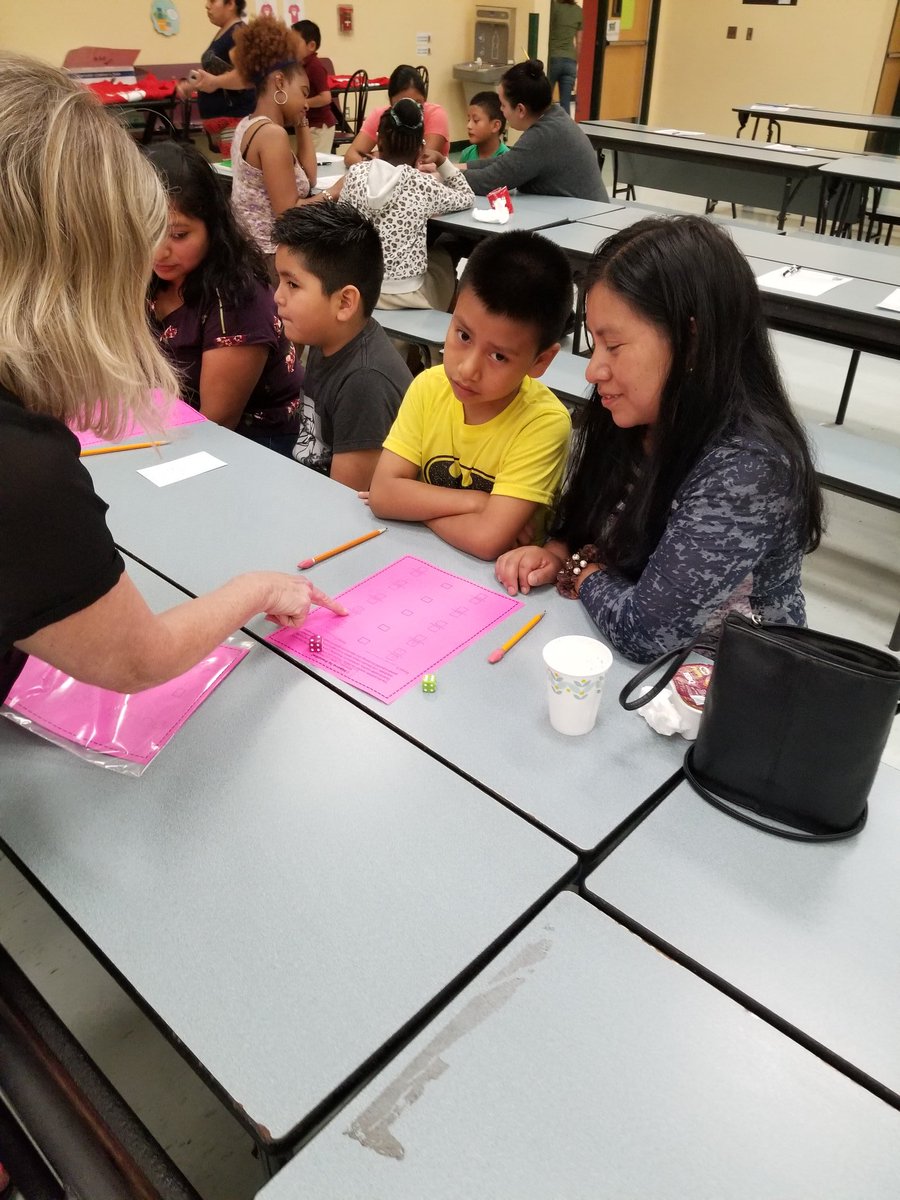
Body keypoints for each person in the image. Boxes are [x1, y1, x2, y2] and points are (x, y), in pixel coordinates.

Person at [0, 52, 344, 707]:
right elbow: (135, 658)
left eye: (176, 233)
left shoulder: (233, 298)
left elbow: (214, 417)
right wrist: (258, 588)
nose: (153, 255)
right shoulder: (24, 470)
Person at [496, 216, 824, 662]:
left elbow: (646, 632)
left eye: (614, 346)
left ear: (691, 340)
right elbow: (582, 525)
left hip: (723, 679)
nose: (593, 370)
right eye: (594, 344)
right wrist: (557, 551)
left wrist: (583, 571)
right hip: (627, 664)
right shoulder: (632, 414)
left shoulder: (749, 467)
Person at [367, 232, 573, 560]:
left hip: (496, 582)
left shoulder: (544, 423)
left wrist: (413, 507)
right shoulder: (429, 386)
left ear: (541, 361)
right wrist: (477, 502)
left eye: (499, 356)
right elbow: (383, 494)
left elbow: (487, 541)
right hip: (415, 559)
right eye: (463, 335)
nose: (467, 369)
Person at [147, 142, 304, 456]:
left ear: (212, 227)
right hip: (166, 429)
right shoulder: (145, 277)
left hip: (254, 446)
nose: (160, 251)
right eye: (147, 229)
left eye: (179, 235)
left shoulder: (237, 301)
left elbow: (216, 424)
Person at [272, 205, 413, 491]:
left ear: (345, 303)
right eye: (280, 281)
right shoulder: (328, 338)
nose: (277, 296)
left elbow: (345, 500)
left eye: (292, 284)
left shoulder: (365, 382)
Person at [339, 98, 474, 313]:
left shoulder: (355, 174)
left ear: (379, 140)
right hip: (408, 295)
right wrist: (442, 161)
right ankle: (445, 323)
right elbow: (466, 196)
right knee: (443, 255)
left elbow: (340, 221)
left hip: (360, 288)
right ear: (421, 148)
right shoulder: (421, 184)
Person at [229, 16, 337, 265]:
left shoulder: (247, 124)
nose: (306, 103)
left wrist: (301, 121)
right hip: (268, 260)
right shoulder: (272, 135)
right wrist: (335, 192)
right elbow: (288, 215)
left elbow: (309, 179)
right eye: (303, 93)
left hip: (249, 254)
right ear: (279, 82)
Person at [459, 59, 607, 201]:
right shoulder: (554, 116)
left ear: (520, 109)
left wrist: (449, 175)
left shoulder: (544, 134)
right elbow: (509, 162)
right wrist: (461, 167)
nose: (501, 110)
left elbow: (490, 181)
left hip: (586, 217)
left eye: (503, 105)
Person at [176, 0, 255, 151]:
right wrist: (196, 84)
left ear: (230, 4)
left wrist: (215, 82)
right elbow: (221, 74)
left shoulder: (238, 32)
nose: (207, 5)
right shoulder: (225, 32)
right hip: (226, 120)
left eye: (213, 1)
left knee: (236, 164)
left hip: (236, 119)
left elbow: (246, 76)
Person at [344, 64, 449, 165]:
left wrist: (378, 159)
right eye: (402, 103)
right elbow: (351, 155)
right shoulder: (381, 115)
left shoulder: (435, 114)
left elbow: (421, 161)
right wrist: (375, 167)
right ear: (391, 102)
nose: (410, 109)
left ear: (425, 99)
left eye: (418, 103)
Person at [291, 19, 337, 154]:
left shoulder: (315, 66)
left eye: (294, 43)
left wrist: (303, 102)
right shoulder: (299, 65)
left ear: (311, 46)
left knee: (317, 161)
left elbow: (326, 97)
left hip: (320, 126)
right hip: (308, 124)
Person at [547, 0, 583, 115]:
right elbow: (579, 42)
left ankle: (546, 125)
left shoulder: (554, 7)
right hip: (570, 62)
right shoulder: (578, 11)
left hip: (553, 59)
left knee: (546, 100)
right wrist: (575, 62)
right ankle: (566, 126)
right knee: (565, 103)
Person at [460, 91, 510, 163]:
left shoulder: (507, 158)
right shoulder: (466, 154)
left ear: (495, 126)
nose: (469, 126)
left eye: (476, 120)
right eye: (468, 120)